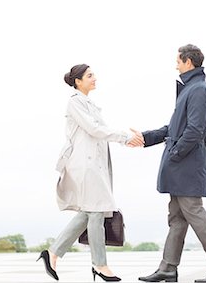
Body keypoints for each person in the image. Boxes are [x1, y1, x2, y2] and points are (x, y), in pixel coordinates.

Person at [135, 45, 206, 283]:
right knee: (177, 217)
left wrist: (175, 154)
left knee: (194, 213)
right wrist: (145, 137)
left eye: (178, 61)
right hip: (182, 164)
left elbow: (194, 130)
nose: (176, 65)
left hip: (186, 164)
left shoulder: (198, 90)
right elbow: (174, 128)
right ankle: (168, 267)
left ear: (188, 62)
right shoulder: (190, 89)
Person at [37, 64, 144, 282]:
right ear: (78, 81)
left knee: (92, 211)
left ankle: (54, 252)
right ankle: (100, 265)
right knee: (96, 210)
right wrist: (125, 137)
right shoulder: (75, 102)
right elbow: (95, 130)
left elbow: (99, 132)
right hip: (84, 165)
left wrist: (125, 139)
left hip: (94, 165)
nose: (95, 78)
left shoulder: (90, 104)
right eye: (89, 75)